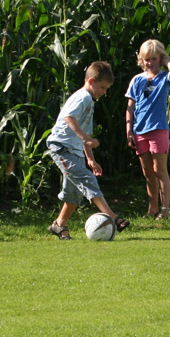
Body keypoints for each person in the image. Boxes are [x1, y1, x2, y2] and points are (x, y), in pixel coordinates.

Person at [45, 60, 129, 240]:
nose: (104, 92)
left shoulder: (89, 101)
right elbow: (69, 118)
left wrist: (90, 159)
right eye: (103, 87)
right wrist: (86, 139)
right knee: (87, 179)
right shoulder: (83, 97)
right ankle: (113, 217)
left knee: (74, 193)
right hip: (62, 148)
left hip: (74, 151)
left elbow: (86, 134)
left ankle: (59, 225)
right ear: (91, 81)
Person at [125, 39, 170, 219]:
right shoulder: (137, 80)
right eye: (146, 59)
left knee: (160, 171)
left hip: (158, 130)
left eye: (154, 59)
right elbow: (130, 107)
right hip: (139, 131)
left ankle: (165, 210)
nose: (150, 63)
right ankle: (153, 209)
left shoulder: (165, 78)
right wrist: (129, 130)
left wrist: (166, 61)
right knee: (148, 173)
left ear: (161, 58)